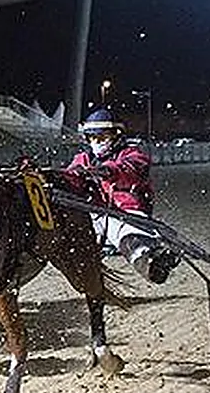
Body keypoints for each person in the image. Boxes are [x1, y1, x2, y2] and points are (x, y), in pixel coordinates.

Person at [64, 108, 181, 284]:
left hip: (126, 213)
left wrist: (108, 170)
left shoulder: (132, 154)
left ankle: (152, 265)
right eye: (92, 138)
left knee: (126, 235)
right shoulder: (83, 158)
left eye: (102, 138)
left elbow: (131, 170)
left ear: (117, 136)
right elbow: (69, 178)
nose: (96, 143)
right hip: (93, 213)